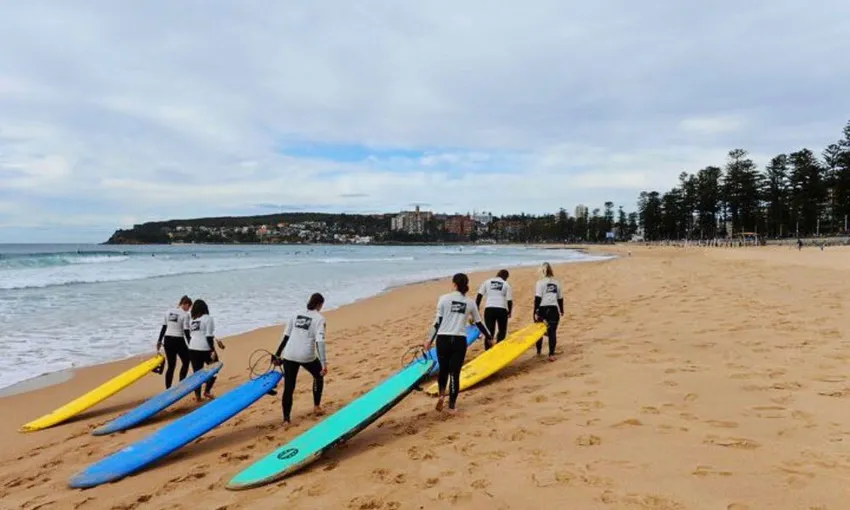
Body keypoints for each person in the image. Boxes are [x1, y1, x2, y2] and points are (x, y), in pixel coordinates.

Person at [424, 273, 492, 412]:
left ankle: (442, 395)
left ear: (454, 284)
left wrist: (429, 340)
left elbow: (437, 322)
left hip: (443, 339)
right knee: (454, 373)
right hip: (459, 340)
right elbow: (479, 323)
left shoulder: (443, 299)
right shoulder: (470, 302)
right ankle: (451, 406)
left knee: (443, 370)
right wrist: (489, 336)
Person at [272, 292, 328, 426]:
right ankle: (316, 406)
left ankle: (286, 419)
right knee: (318, 375)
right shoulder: (320, 319)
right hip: (306, 355)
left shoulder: (295, 314)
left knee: (289, 387)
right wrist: (323, 363)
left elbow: (285, 336)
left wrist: (277, 354)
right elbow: (319, 342)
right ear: (320, 305)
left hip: (289, 354)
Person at [187, 299, 225, 401]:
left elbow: (195, 335)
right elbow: (208, 336)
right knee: (215, 369)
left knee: (197, 374)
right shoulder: (208, 319)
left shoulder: (192, 320)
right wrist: (212, 350)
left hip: (192, 348)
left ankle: (198, 396)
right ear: (205, 308)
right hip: (205, 348)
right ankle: (207, 391)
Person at [156, 295, 193, 389]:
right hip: (178, 340)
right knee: (186, 361)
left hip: (167, 340)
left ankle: (168, 388)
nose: (188, 309)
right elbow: (186, 331)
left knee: (171, 366)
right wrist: (191, 344)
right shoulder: (185, 315)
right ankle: (181, 384)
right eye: (189, 307)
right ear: (185, 304)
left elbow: (164, 327)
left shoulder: (168, 312)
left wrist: (159, 341)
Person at [533, 262, 564, 362]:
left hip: (542, 309)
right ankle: (551, 354)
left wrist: (535, 311)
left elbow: (538, 298)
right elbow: (560, 298)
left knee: (539, 332)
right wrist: (562, 310)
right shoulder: (556, 283)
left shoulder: (540, 282)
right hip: (553, 309)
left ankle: (538, 352)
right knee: (552, 332)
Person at [475, 269, 513, 349]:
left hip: (489, 309)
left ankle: (487, 352)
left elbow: (479, 296)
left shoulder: (487, 282)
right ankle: (498, 349)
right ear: (506, 277)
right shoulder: (506, 284)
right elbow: (509, 300)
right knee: (502, 331)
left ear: (497, 274)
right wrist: (509, 311)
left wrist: (476, 308)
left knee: (489, 332)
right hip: (502, 310)